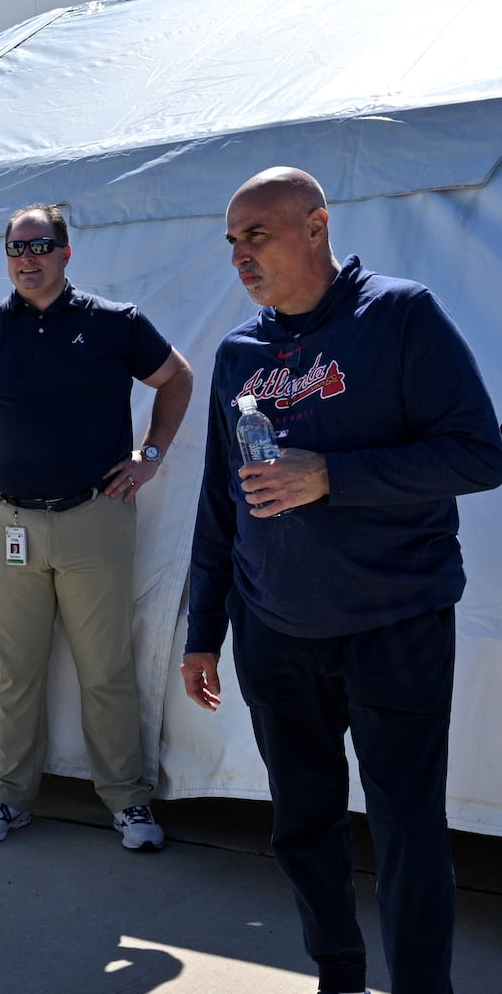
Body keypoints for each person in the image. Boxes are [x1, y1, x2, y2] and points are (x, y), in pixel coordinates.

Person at [180, 167, 502, 994]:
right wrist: (203, 632)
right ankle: (339, 974)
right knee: (302, 825)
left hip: (395, 624)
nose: (240, 255)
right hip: (275, 629)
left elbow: (478, 452)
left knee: (406, 830)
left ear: (316, 226)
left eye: (258, 234)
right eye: (231, 241)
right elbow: (223, 500)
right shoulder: (239, 353)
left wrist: (333, 476)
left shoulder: (397, 316)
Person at [0, 203, 193, 851]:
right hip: (7, 524)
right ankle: (8, 799)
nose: (26, 258)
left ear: (66, 251)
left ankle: (128, 802)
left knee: (106, 670)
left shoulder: (114, 325)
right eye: (15, 248)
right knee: (15, 672)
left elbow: (176, 378)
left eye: (39, 245)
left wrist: (150, 457)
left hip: (96, 519)